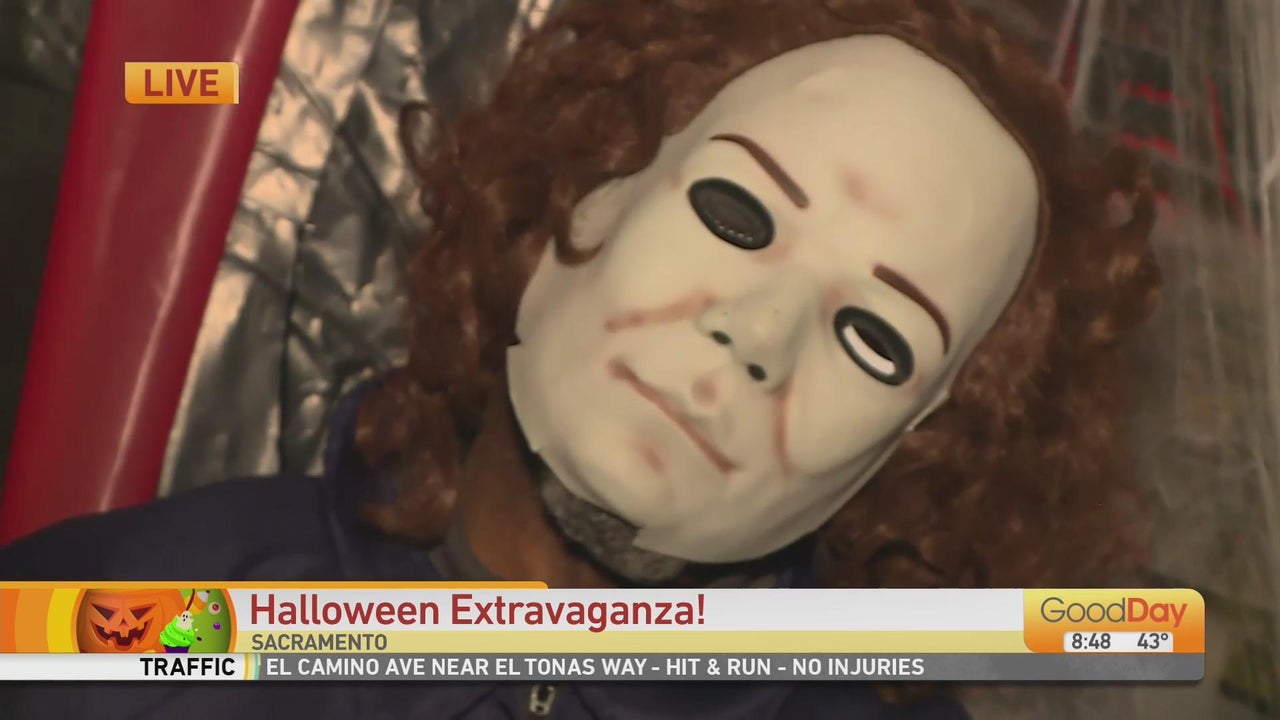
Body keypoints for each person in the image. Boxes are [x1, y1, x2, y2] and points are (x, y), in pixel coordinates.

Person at [0, 0, 1161, 717]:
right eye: (736, 213)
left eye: (875, 337)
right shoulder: (113, 629)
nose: (757, 336)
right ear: (581, 188)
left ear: (914, 448)